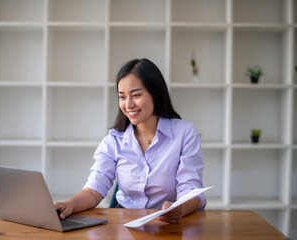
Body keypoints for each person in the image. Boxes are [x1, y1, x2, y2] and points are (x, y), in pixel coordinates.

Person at [54, 58, 206, 224]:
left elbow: (191, 190)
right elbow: (94, 190)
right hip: (124, 224)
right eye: (122, 97)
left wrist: (179, 209)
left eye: (136, 95)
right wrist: (69, 204)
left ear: (155, 93)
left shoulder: (184, 133)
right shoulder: (114, 140)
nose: (128, 104)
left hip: (168, 223)